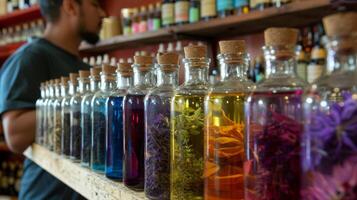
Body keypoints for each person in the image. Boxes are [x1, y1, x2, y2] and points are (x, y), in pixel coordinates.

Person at [0, 0, 105, 199]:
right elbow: (15, 135)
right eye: (95, 5)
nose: (103, 14)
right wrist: (79, 106)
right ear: (71, 6)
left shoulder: (86, 71)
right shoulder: (30, 57)